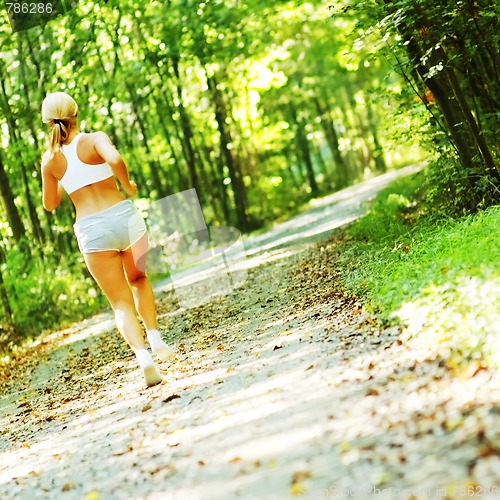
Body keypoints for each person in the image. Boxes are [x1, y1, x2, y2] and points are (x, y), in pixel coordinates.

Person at [41, 91, 174, 387]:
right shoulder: (94, 139)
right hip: (124, 217)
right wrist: (127, 185)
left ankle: (144, 359)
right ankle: (156, 338)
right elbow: (115, 159)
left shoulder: (50, 160)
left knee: (120, 303)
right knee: (139, 280)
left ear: (48, 122)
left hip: (92, 230)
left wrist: (63, 180)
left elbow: (50, 204)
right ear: (76, 115)